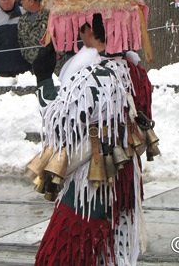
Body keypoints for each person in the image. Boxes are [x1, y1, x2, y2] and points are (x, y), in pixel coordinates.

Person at [32, 14, 145, 265]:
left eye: (82, 29)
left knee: (67, 253)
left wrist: (42, 80)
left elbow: (60, 125)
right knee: (114, 253)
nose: (80, 35)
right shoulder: (135, 71)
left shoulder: (94, 76)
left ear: (91, 31)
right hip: (124, 179)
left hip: (92, 184)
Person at [17, 0, 49, 65]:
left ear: (31, 1)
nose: (21, 2)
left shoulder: (49, 17)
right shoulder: (22, 19)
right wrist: (26, 55)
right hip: (32, 65)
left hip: (52, 64)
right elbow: (21, 41)